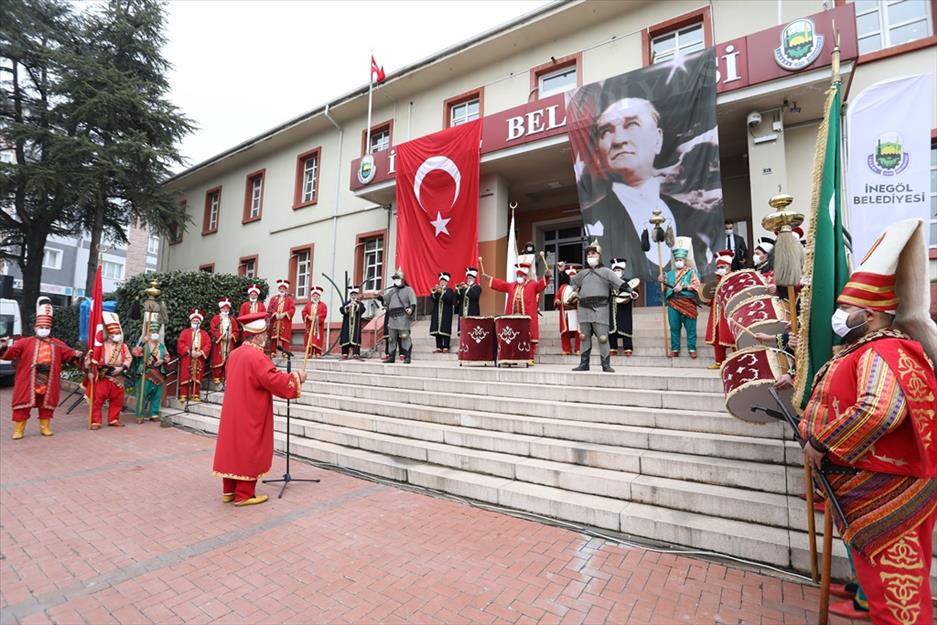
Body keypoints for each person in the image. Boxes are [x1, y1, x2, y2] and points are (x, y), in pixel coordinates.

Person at [800, 219, 937, 625]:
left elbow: (880, 410)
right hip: (870, 483)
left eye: (848, 310)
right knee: (883, 591)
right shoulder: (868, 347)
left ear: (874, 315)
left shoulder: (886, 352)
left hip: (887, 488)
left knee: (898, 603)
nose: (841, 316)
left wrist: (821, 444)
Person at [582, 95, 721, 283]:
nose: (618, 140)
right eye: (606, 131)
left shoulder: (693, 214)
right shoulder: (595, 217)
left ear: (658, 139)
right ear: (598, 150)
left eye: (632, 125)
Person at [212, 311, 307, 506]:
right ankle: (244, 495)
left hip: (233, 410)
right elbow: (272, 379)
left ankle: (229, 491)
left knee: (233, 448)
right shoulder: (256, 356)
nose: (266, 338)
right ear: (258, 335)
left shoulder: (234, 354)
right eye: (264, 334)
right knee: (249, 448)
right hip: (250, 410)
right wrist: (296, 378)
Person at [0, 298, 81, 439]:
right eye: (41, 328)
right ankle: (19, 430)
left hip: (48, 379)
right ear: (35, 328)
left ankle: (45, 427)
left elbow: (70, 356)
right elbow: (10, 354)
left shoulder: (58, 343)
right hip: (28, 379)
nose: (44, 330)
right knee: (22, 405)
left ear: (50, 329)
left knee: (46, 405)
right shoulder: (24, 342)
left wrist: (77, 355)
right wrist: (4, 347)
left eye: (46, 328)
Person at [570, 241, 626, 373]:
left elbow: (620, 283)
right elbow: (572, 285)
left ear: (599, 256)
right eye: (588, 254)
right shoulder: (582, 273)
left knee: (603, 337)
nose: (591, 256)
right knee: (584, 336)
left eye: (593, 254)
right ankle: (584, 363)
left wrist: (630, 290)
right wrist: (569, 292)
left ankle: (605, 365)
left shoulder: (606, 272)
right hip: (584, 308)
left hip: (600, 308)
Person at [482, 261, 551, 364]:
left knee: (528, 336)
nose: (518, 277)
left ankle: (530, 357)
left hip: (526, 317)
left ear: (525, 276)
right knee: (514, 337)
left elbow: (541, 285)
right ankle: (514, 357)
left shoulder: (532, 285)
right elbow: (501, 284)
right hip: (513, 317)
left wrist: (546, 277)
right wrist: (489, 278)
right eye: (517, 275)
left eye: (520, 275)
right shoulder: (512, 286)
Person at [85, 311, 132, 429]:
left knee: (117, 400)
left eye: (118, 332)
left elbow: (128, 358)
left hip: (118, 375)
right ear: (109, 334)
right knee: (98, 400)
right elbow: (91, 359)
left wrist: (121, 368)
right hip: (104, 375)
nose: (117, 335)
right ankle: (95, 421)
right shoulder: (100, 345)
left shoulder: (123, 346)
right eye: (114, 333)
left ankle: (114, 419)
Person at [661, 242, 701, 358]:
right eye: (677, 259)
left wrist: (682, 287)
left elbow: (696, 286)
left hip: (688, 301)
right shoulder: (669, 274)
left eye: (681, 259)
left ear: (685, 260)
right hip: (673, 302)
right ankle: (675, 348)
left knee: (691, 327)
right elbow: (664, 289)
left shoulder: (692, 272)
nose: (678, 261)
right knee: (674, 327)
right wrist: (661, 281)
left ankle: (692, 348)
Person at [131, 323, 171, 424]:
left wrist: (162, 360)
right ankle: (140, 415)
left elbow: (167, 357)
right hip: (145, 372)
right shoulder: (144, 345)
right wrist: (142, 343)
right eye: (153, 332)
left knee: (157, 395)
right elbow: (135, 353)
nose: (155, 334)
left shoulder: (162, 346)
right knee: (142, 396)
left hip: (158, 373)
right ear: (148, 333)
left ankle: (154, 414)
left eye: (156, 332)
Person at [705, 250, 736, 369]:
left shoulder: (734, 278)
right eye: (718, 267)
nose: (720, 269)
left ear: (728, 267)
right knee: (716, 336)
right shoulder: (717, 280)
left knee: (731, 336)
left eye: (722, 267)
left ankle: (737, 360)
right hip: (717, 312)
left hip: (729, 312)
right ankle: (719, 361)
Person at [381, 269, 417, 364]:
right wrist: (378, 296)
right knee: (391, 338)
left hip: (402, 316)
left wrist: (411, 309)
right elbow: (385, 300)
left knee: (405, 336)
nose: (396, 280)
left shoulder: (409, 290)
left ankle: (407, 356)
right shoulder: (392, 291)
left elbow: (413, 302)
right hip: (392, 317)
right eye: (395, 279)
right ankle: (391, 356)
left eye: (398, 278)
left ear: (402, 279)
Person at [177, 309, 211, 402]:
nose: (196, 322)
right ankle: (183, 394)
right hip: (188, 357)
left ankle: (195, 394)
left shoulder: (204, 334)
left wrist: (201, 352)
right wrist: (188, 351)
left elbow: (208, 344)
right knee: (185, 375)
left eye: (197, 321)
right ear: (191, 321)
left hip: (199, 357)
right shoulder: (185, 332)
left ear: (200, 322)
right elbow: (180, 343)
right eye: (194, 321)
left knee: (197, 376)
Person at [609, 258, 638, 357]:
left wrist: (631, 296)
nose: (617, 272)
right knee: (611, 327)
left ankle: (628, 348)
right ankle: (613, 348)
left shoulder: (628, 282)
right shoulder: (609, 283)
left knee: (625, 326)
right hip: (611, 306)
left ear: (623, 271)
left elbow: (635, 292)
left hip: (624, 307)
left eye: (619, 270)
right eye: (615, 270)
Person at [209, 297, 239, 385]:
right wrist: (221, 336)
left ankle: (224, 376)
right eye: (224, 308)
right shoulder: (215, 319)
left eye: (227, 308)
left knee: (228, 359)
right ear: (221, 308)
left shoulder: (232, 320)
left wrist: (232, 336)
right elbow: (213, 329)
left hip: (229, 343)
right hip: (220, 342)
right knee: (218, 359)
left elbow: (236, 330)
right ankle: (216, 376)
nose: (225, 310)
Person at [554, 265, 581, 357]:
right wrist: (557, 301)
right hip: (565, 311)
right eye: (570, 277)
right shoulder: (562, 287)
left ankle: (578, 349)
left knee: (578, 331)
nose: (572, 278)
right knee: (565, 331)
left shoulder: (578, 287)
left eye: (573, 277)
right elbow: (557, 296)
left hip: (575, 311)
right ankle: (566, 349)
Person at [267, 279, 295, 355]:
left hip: (285, 320)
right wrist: (274, 313)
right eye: (280, 288)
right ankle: (273, 351)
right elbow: (269, 308)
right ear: (278, 289)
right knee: (273, 336)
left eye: (283, 289)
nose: (282, 290)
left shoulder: (289, 299)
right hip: (275, 319)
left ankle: (285, 352)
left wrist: (285, 314)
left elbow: (292, 309)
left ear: (286, 290)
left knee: (285, 337)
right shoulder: (274, 298)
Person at [430, 272, 456, 353]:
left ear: (447, 282)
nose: (441, 282)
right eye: (440, 281)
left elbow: (448, 299)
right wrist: (435, 292)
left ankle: (446, 346)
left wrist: (441, 292)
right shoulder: (437, 290)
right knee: (437, 329)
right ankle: (439, 346)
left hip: (446, 313)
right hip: (437, 312)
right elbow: (433, 299)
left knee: (445, 329)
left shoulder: (449, 290)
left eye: (443, 281)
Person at [301, 286, 327, 359]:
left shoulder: (323, 305)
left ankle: (318, 353)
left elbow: (324, 314)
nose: (315, 297)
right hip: (309, 325)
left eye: (317, 296)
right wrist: (307, 316)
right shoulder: (308, 304)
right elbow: (304, 312)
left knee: (317, 339)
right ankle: (309, 353)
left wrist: (317, 318)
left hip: (318, 326)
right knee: (309, 338)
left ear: (319, 296)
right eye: (314, 296)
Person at [340, 287, 366, 360]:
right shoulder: (346, 303)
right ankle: (345, 353)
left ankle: (356, 353)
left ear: (357, 296)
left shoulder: (360, 304)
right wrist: (348, 307)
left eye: (355, 295)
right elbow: (341, 310)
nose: (353, 296)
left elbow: (363, 310)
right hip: (347, 324)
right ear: (350, 296)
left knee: (356, 337)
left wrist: (357, 306)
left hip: (356, 325)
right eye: (352, 295)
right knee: (346, 337)